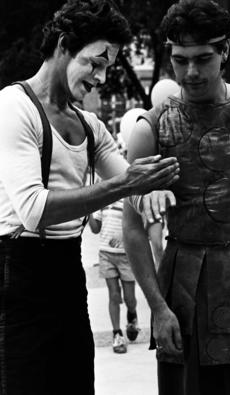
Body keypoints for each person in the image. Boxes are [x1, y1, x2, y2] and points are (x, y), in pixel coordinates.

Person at [0, 1, 180, 394]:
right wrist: (127, 186)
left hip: (67, 271)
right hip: (19, 271)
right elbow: (33, 211)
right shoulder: (14, 108)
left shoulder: (89, 124)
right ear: (64, 45)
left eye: (108, 67)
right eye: (95, 62)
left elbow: (134, 188)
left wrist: (155, 192)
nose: (101, 77)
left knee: (76, 381)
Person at [123, 1, 230, 394]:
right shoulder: (149, 129)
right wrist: (156, 307)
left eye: (203, 58)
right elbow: (133, 226)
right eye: (179, 59)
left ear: (226, 50)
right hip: (185, 294)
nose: (190, 72)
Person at [89, 198, 139, 354]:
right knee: (114, 295)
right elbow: (95, 228)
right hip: (106, 255)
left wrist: (125, 240)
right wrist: (89, 211)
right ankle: (117, 334)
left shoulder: (129, 199)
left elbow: (137, 227)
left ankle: (132, 316)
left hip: (127, 256)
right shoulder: (103, 199)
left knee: (130, 298)